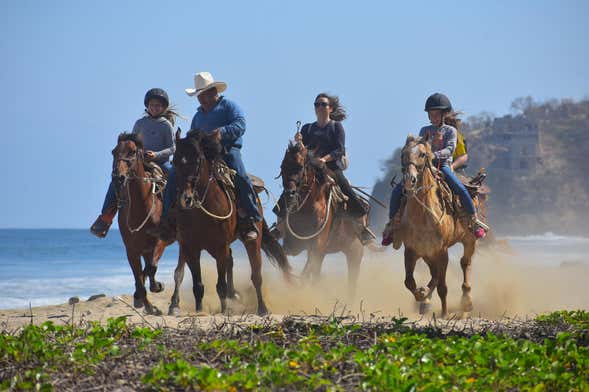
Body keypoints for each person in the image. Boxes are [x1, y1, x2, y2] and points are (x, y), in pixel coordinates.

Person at [151, 72, 261, 241]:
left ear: (213, 92)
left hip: (227, 151)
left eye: (203, 94)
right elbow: (193, 137)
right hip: (204, 155)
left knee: (241, 177)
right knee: (174, 175)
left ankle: (252, 219)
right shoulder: (198, 116)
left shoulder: (229, 106)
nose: (200, 98)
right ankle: (167, 220)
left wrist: (222, 133)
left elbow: (240, 124)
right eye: (198, 95)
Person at [381, 93, 487, 246]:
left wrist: (431, 154)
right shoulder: (424, 130)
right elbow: (419, 148)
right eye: (431, 114)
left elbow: (450, 150)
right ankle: (392, 226)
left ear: (443, 114)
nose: (434, 117)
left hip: (443, 165)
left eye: (437, 114)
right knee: (398, 190)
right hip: (424, 167)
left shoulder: (450, 131)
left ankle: (473, 220)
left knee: (460, 188)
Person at [274, 93, 376, 244]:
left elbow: (339, 150)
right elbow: (303, 153)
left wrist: (324, 159)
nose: (319, 107)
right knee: (289, 189)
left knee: (346, 189)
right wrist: (300, 143)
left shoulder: (336, 127)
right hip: (311, 169)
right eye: (317, 104)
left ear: (330, 108)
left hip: (331, 169)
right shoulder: (307, 128)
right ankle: (280, 227)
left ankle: (362, 228)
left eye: (323, 104)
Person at [90, 88, 177, 238]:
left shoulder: (166, 125)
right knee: (117, 180)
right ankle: (105, 218)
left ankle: (171, 219)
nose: (155, 108)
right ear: (147, 106)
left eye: (158, 106)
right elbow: (132, 144)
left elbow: (172, 147)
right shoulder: (140, 123)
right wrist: (138, 154)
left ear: (163, 108)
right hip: (140, 162)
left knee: (175, 177)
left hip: (161, 163)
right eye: (152, 105)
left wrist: (156, 154)